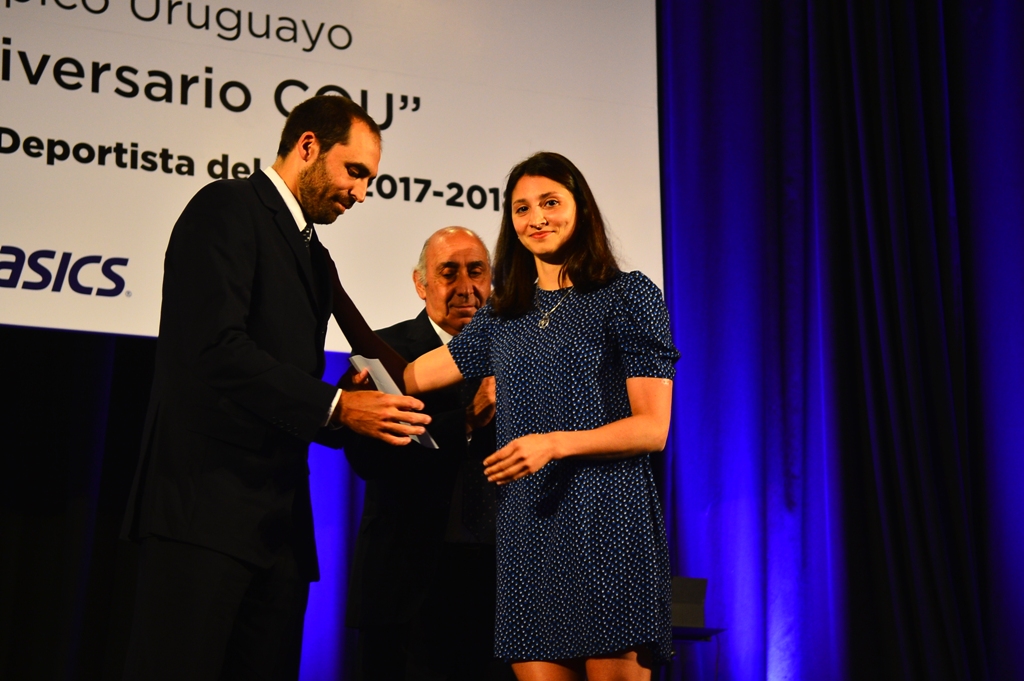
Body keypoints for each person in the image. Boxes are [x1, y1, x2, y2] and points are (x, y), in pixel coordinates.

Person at [120, 95, 431, 681]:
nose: (361, 193)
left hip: (279, 533)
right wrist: (338, 407)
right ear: (309, 146)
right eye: (355, 171)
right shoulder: (226, 208)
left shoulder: (315, 256)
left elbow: (286, 387)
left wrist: (349, 398)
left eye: (370, 179)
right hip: (203, 516)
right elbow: (214, 352)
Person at [403, 152, 679, 681]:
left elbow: (652, 428)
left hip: (609, 524)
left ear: (581, 209)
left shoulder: (628, 295)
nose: (536, 218)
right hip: (529, 530)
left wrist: (552, 443)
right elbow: (416, 375)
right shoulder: (504, 312)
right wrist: (352, 389)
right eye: (522, 208)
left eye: (550, 202)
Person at [345, 227, 515, 681]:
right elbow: (367, 458)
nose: (466, 287)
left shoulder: (519, 353)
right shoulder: (383, 353)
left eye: (476, 271)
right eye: (448, 273)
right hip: (407, 590)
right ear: (421, 285)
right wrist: (464, 420)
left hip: (502, 589)